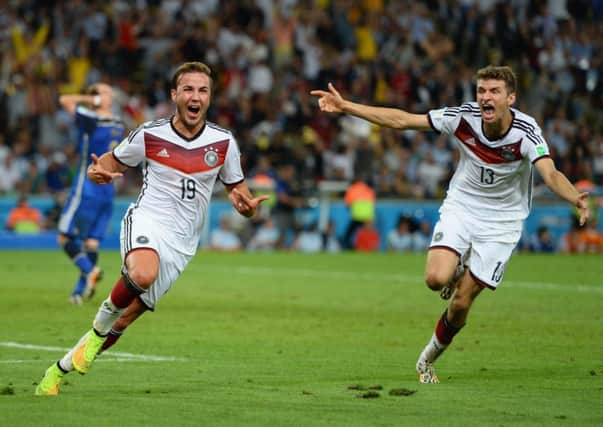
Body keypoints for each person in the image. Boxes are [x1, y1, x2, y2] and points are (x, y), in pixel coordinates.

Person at [311, 65, 590, 383]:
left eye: (494, 91)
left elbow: (550, 174)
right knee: (434, 278)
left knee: (460, 302)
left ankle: (428, 358)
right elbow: (403, 120)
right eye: (481, 90)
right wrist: (347, 106)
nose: (485, 97)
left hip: (503, 222)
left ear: (510, 98)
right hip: (463, 206)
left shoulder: (526, 133)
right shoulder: (462, 117)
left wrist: (575, 198)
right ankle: (456, 270)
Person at [35, 61, 269, 396]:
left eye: (202, 90)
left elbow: (238, 189)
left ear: (210, 97)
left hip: (182, 244)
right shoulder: (149, 134)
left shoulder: (224, 143)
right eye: (188, 89)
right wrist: (95, 172)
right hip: (147, 219)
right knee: (142, 274)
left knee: (125, 320)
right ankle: (99, 329)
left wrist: (245, 207)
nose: (195, 96)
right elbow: (108, 163)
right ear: (175, 95)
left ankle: (56, 373)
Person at [56, 82, 126, 305]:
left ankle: (89, 271)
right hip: (108, 189)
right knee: (92, 243)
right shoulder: (118, 124)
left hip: (86, 185)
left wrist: (90, 100)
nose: (107, 95)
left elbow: (64, 101)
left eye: (107, 92)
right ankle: (79, 292)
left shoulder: (91, 118)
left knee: (64, 236)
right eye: (103, 91)